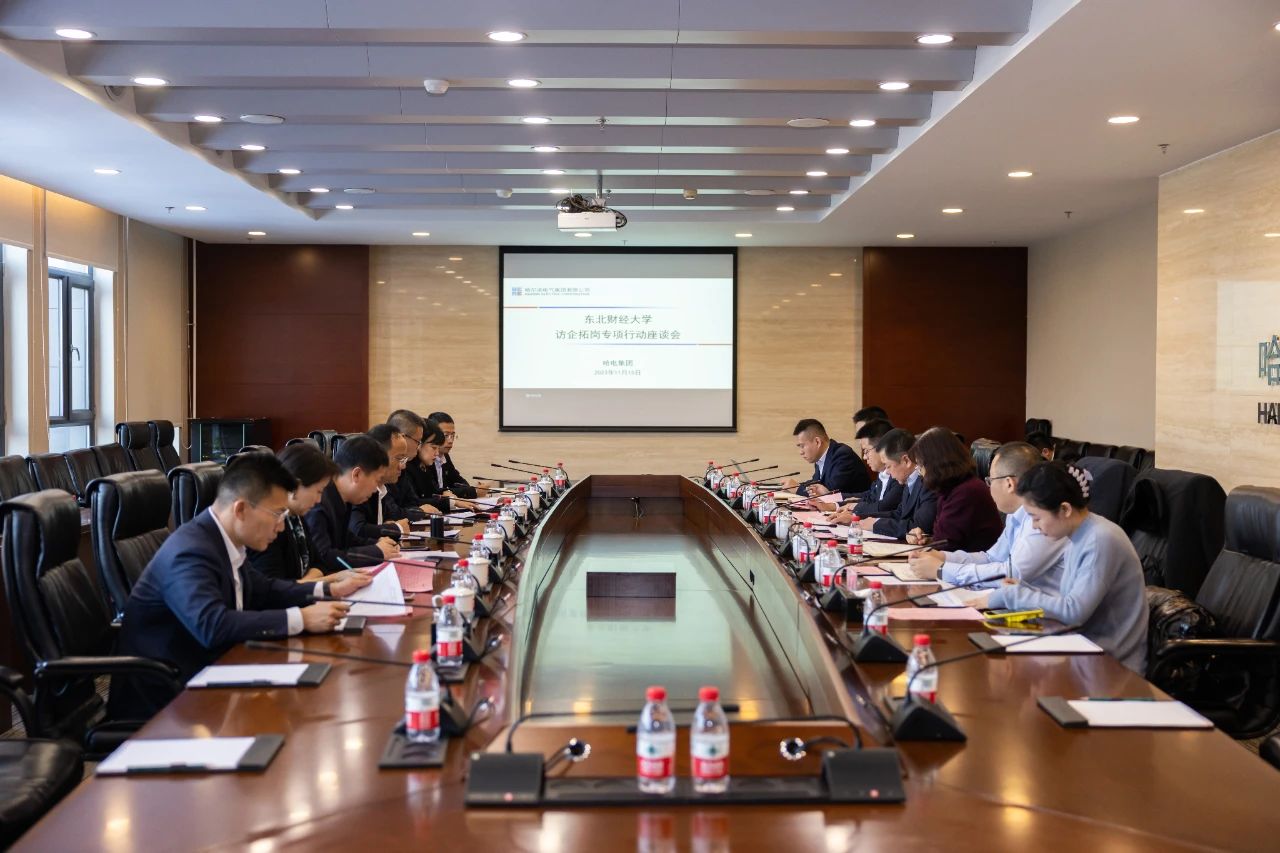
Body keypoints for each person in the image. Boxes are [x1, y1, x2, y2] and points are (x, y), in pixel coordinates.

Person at [110, 453, 358, 719]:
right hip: (169, 699)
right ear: (240, 509)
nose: (281, 527)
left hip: (214, 672)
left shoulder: (224, 541)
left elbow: (264, 589)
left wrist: (327, 590)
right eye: (277, 513)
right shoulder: (190, 552)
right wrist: (301, 618)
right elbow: (212, 625)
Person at [965, 462, 1149, 673]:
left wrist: (1013, 595)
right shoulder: (1078, 534)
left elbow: (1074, 611)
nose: (1034, 526)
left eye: (1036, 518)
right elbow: (1066, 601)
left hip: (1111, 666)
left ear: (1065, 509)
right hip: (1079, 650)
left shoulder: (1100, 539)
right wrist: (1020, 589)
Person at [904, 442, 1066, 592]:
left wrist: (942, 569)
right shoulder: (1015, 515)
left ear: (1009, 484)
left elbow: (1011, 574)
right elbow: (991, 558)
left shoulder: (1043, 521)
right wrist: (943, 557)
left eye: (990, 480)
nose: (989, 488)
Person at [248, 443, 374, 597]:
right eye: (318, 491)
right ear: (296, 485)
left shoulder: (297, 516)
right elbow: (275, 590)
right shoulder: (271, 525)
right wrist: (332, 579)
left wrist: (306, 582)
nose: (319, 500)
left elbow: (319, 563)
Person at [304, 434, 400, 572]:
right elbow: (324, 556)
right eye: (376, 480)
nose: (375, 489)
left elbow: (347, 539)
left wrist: (377, 543)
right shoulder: (318, 502)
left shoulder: (342, 496)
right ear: (356, 474)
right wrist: (376, 552)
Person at [904, 427, 1003, 552]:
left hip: (974, 562)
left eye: (921, 467)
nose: (921, 474)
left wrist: (931, 544)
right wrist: (925, 539)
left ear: (935, 464)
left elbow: (946, 546)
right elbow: (945, 540)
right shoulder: (951, 488)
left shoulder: (966, 492)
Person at [855, 428, 937, 539]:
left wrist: (876, 524)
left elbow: (920, 527)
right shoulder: (910, 480)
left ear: (906, 461)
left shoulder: (928, 483)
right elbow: (899, 513)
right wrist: (859, 518)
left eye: (888, 466)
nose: (887, 472)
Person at [350, 424, 420, 540]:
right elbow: (357, 530)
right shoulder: (358, 486)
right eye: (399, 458)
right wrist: (397, 528)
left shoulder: (382, 488)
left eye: (404, 459)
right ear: (379, 457)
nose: (402, 466)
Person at [828, 418, 901, 523]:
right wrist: (838, 505)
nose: (864, 457)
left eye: (866, 451)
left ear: (882, 448)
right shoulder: (882, 474)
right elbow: (869, 498)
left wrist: (855, 512)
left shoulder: (899, 476)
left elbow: (884, 507)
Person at [781, 418, 870, 498]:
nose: (800, 452)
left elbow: (828, 493)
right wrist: (794, 486)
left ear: (817, 442)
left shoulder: (843, 456)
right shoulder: (821, 458)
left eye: (802, 446)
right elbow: (816, 483)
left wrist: (797, 489)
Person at [427, 411, 485, 499]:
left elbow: (457, 480)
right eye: (446, 435)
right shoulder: (425, 459)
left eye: (452, 435)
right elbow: (435, 491)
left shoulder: (445, 456)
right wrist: (473, 491)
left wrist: (472, 489)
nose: (450, 441)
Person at [402, 418, 456, 513]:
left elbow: (434, 491)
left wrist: (445, 492)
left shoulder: (425, 465)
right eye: (434, 448)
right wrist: (451, 502)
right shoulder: (406, 467)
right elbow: (413, 503)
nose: (437, 453)